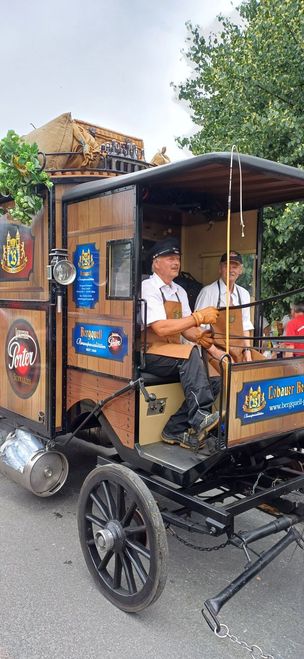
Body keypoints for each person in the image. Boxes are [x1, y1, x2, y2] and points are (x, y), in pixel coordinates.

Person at [141, 237, 220, 450]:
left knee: (215, 378)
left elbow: (186, 329)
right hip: (150, 352)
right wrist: (198, 317)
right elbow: (160, 328)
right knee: (190, 353)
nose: (176, 262)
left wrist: (201, 336)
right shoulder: (148, 287)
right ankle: (201, 417)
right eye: (169, 258)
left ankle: (174, 429)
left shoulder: (179, 291)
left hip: (173, 352)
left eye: (177, 258)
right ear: (156, 262)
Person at [194, 251, 262, 370]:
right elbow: (198, 328)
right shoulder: (208, 292)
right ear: (220, 269)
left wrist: (247, 353)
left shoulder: (244, 294)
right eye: (227, 266)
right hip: (213, 351)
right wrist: (216, 352)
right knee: (226, 377)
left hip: (239, 350)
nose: (231, 270)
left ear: (240, 270)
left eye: (235, 266)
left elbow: (245, 327)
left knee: (262, 367)